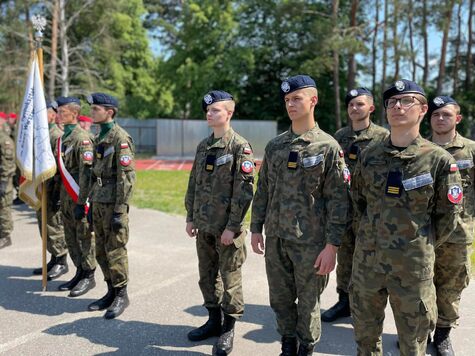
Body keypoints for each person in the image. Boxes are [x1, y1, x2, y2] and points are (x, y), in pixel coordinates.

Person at [350, 79, 463, 356]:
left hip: (412, 268)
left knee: (413, 345)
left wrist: (417, 245)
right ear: (385, 110)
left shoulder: (438, 160)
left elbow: (447, 219)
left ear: (423, 109)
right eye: (392, 102)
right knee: (365, 339)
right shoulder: (369, 156)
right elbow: (359, 202)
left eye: (406, 101)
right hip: (368, 264)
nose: (398, 106)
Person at [251, 75, 349, 356]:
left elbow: (338, 201)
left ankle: (306, 348)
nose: (291, 104)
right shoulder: (275, 146)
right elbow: (264, 190)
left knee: (308, 304)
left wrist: (332, 246)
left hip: (312, 243)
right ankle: (287, 345)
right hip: (277, 239)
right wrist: (256, 228)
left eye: (297, 98)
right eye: (287, 100)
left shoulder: (328, 147)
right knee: (280, 300)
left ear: (313, 100)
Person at [185, 90, 255, 356]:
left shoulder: (239, 147)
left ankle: (228, 328)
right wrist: (191, 217)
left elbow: (244, 191)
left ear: (229, 113)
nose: (209, 113)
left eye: (215, 110)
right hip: (204, 226)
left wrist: (233, 226)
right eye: (208, 110)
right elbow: (194, 183)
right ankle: (213, 321)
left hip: (227, 230)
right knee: (206, 277)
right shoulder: (204, 146)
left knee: (230, 280)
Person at [322, 88, 389, 323]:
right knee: (345, 257)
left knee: (371, 260)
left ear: (371, 108)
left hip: (371, 212)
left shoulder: (383, 137)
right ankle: (344, 301)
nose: (354, 108)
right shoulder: (339, 137)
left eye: (360, 104)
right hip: (343, 210)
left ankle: (368, 306)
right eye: (350, 105)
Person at [428, 96, 474, 356]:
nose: (441, 119)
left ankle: (443, 335)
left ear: (457, 118)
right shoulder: (419, 148)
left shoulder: (470, 150)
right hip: (424, 233)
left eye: (446, 114)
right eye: (436, 115)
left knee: (450, 287)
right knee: (420, 286)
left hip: (458, 233)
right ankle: (420, 332)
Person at [86, 92, 135, 319]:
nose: (92, 112)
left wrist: (119, 210)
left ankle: (121, 294)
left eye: (96, 109)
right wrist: (88, 203)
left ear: (110, 112)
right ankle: (110, 290)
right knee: (101, 250)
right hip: (97, 200)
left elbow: (126, 179)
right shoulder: (98, 136)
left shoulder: (120, 138)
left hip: (113, 204)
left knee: (115, 250)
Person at [55, 96, 96, 297]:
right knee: (70, 237)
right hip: (66, 197)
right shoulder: (63, 138)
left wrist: (82, 202)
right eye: (58, 111)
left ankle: (89, 275)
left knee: (84, 237)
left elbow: (86, 173)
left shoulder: (82, 139)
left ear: (75, 113)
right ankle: (79, 271)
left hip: (80, 198)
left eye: (63, 111)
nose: (59, 114)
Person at [32, 101, 69, 279]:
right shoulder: (44, 134)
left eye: (43, 113)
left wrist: (57, 194)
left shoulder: (56, 135)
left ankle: (61, 260)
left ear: (53, 115)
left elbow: (60, 168)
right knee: (44, 224)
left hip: (53, 189)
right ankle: (54, 259)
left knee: (54, 225)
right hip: (43, 187)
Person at [0, 126, 15, 249]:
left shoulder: (4, 140)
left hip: (3, 180)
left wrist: (4, 182)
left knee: (3, 207)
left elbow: (8, 163)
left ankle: (5, 236)